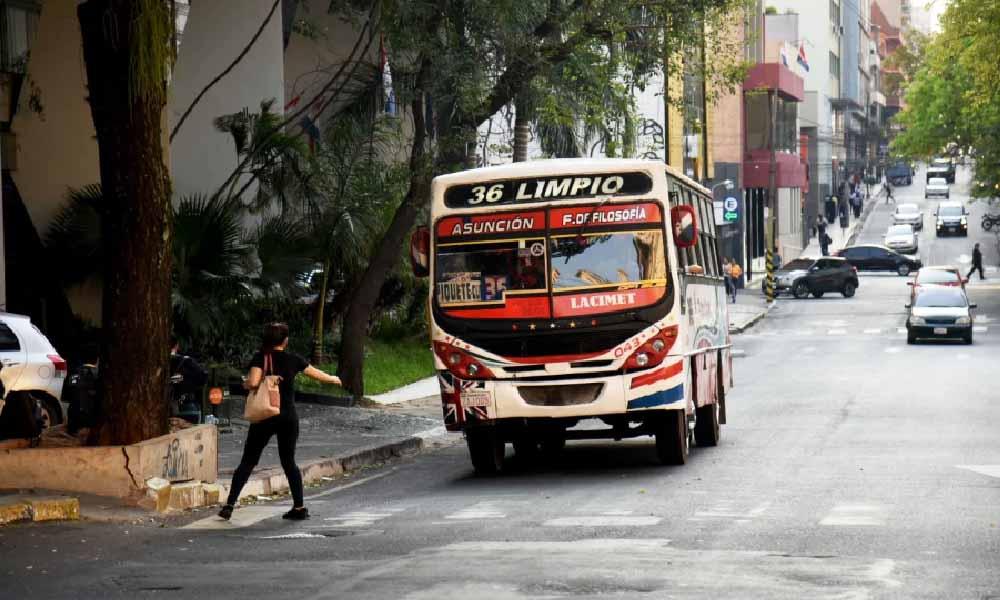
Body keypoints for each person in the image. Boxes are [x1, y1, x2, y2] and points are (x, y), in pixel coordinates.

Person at [218, 322, 342, 521]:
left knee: (248, 461)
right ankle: (299, 507)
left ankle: (230, 505)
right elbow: (315, 373)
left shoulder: (261, 357)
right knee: (288, 462)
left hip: (265, 416)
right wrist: (333, 378)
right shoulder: (293, 359)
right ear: (285, 341)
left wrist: (243, 384)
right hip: (288, 417)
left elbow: (253, 382)